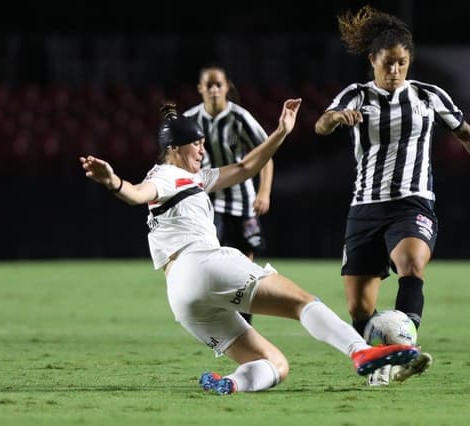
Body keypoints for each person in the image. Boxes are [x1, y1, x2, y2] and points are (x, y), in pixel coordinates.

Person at [80, 97, 421, 396]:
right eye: (196, 144)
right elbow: (138, 194)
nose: (202, 150)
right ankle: (360, 351)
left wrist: (281, 133)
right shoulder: (166, 175)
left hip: (182, 297)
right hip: (204, 264)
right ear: (174, 148)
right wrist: (113, 181)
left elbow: (245, 168)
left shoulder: (193, 178)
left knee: (276, 363)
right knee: (303, 303)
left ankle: (231, 382)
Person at [314, 5, 470, 386]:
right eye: (388, 63)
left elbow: (465, 133)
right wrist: (336, 118)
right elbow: (320, 125)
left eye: (402, 63)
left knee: (412, 264)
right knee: (359, 306)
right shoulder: (356, 96)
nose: (395, 71)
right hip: (365, 207)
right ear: (373, 60)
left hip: (413, 201)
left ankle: (405, 351)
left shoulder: (428, 96)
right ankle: (379, 365)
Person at [182, 65, 273, 326]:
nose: (213, 90)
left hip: (243, 201)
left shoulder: (240, 117)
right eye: (208, 85)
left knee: (245, 268)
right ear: (200, 88)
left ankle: (245, 325)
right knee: (215, 265)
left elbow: (265, 154)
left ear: (226, 88)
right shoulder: (190, 120)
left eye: (217, 85)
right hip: (209, 202)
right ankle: (224, 324)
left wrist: (264, 192)